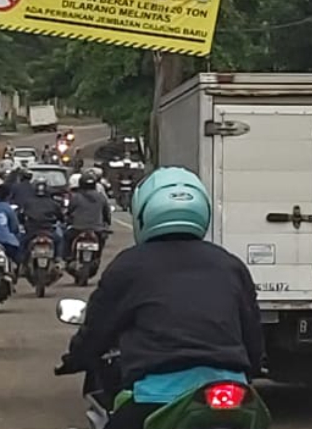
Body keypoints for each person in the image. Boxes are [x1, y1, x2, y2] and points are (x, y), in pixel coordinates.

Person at [56, 168, 265, 429]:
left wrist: (75, 359)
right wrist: (252, 367)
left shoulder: (128, 266)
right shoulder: (230, 264)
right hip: (232, 393)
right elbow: (252, 332)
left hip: (157, 395)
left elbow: (97, 329)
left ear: (143, 212)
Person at [18, 179, 66, 258]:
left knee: (22, 243)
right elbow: (60, 217)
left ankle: (21, 262)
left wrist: (23, 223)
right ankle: (58, 259)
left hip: (32, 231)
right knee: (60, 240)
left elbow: (21, 216)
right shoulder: (53, 203)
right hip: (48, 230)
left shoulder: (27, 202)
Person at [67, 172, 113, 250]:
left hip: (78, 228)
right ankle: (97, 257)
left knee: (66, 237)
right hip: (97, 229)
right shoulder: (101, 197)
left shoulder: (75, 197)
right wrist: (107, 222)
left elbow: (70, 210)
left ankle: (69, 258)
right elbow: (106, 212)